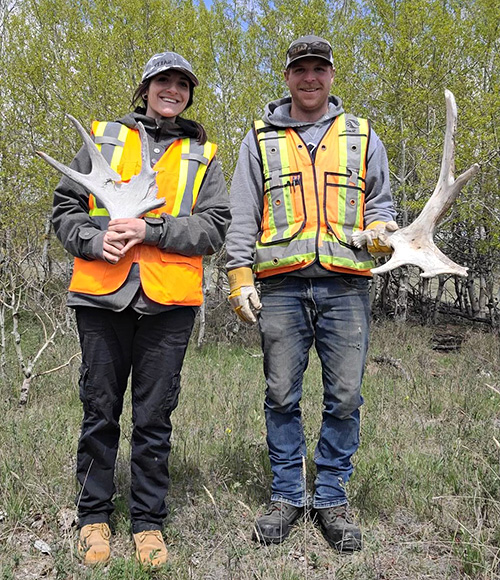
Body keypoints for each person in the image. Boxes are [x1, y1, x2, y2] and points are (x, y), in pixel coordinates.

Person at [52, 51, 230, 567]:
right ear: (146, 87)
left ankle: (149, 524)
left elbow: (214, 227)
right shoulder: (104, 138)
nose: (172, 90)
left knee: (155, 417)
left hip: (168, 303)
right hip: (101, 297)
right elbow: (65, 210)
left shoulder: (202, 154)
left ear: (189, 93)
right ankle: (94, 519)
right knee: (99, 410)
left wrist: (152, 231)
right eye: (162, 81)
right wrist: (92, 240)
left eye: (182, 83)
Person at [226, 35, 397, 552]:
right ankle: (286, 496)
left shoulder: (362, 135)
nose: (309, 78)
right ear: (287, 76)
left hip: (347, 286)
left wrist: (382, 232)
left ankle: (330, 498)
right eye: (299, 69)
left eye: (318, 69)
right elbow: (242, 212)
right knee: (281, 394)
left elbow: (381, 204)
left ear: (330, 75)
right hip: (280, 287)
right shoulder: (261, 138)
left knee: (344, 398)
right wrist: (238, 275)